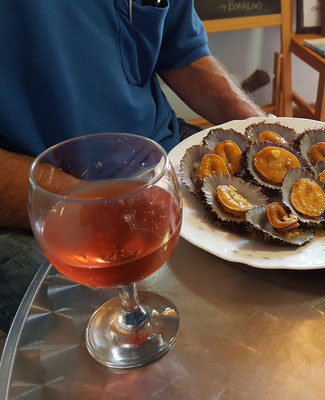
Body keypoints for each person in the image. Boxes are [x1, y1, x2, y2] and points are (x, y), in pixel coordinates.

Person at [0, 0, 267, 332]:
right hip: (32, 201)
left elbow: (182, 49)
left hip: (161, 148)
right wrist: (94, 207)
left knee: (263, 268)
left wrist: (263, 134)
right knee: (89, 336)